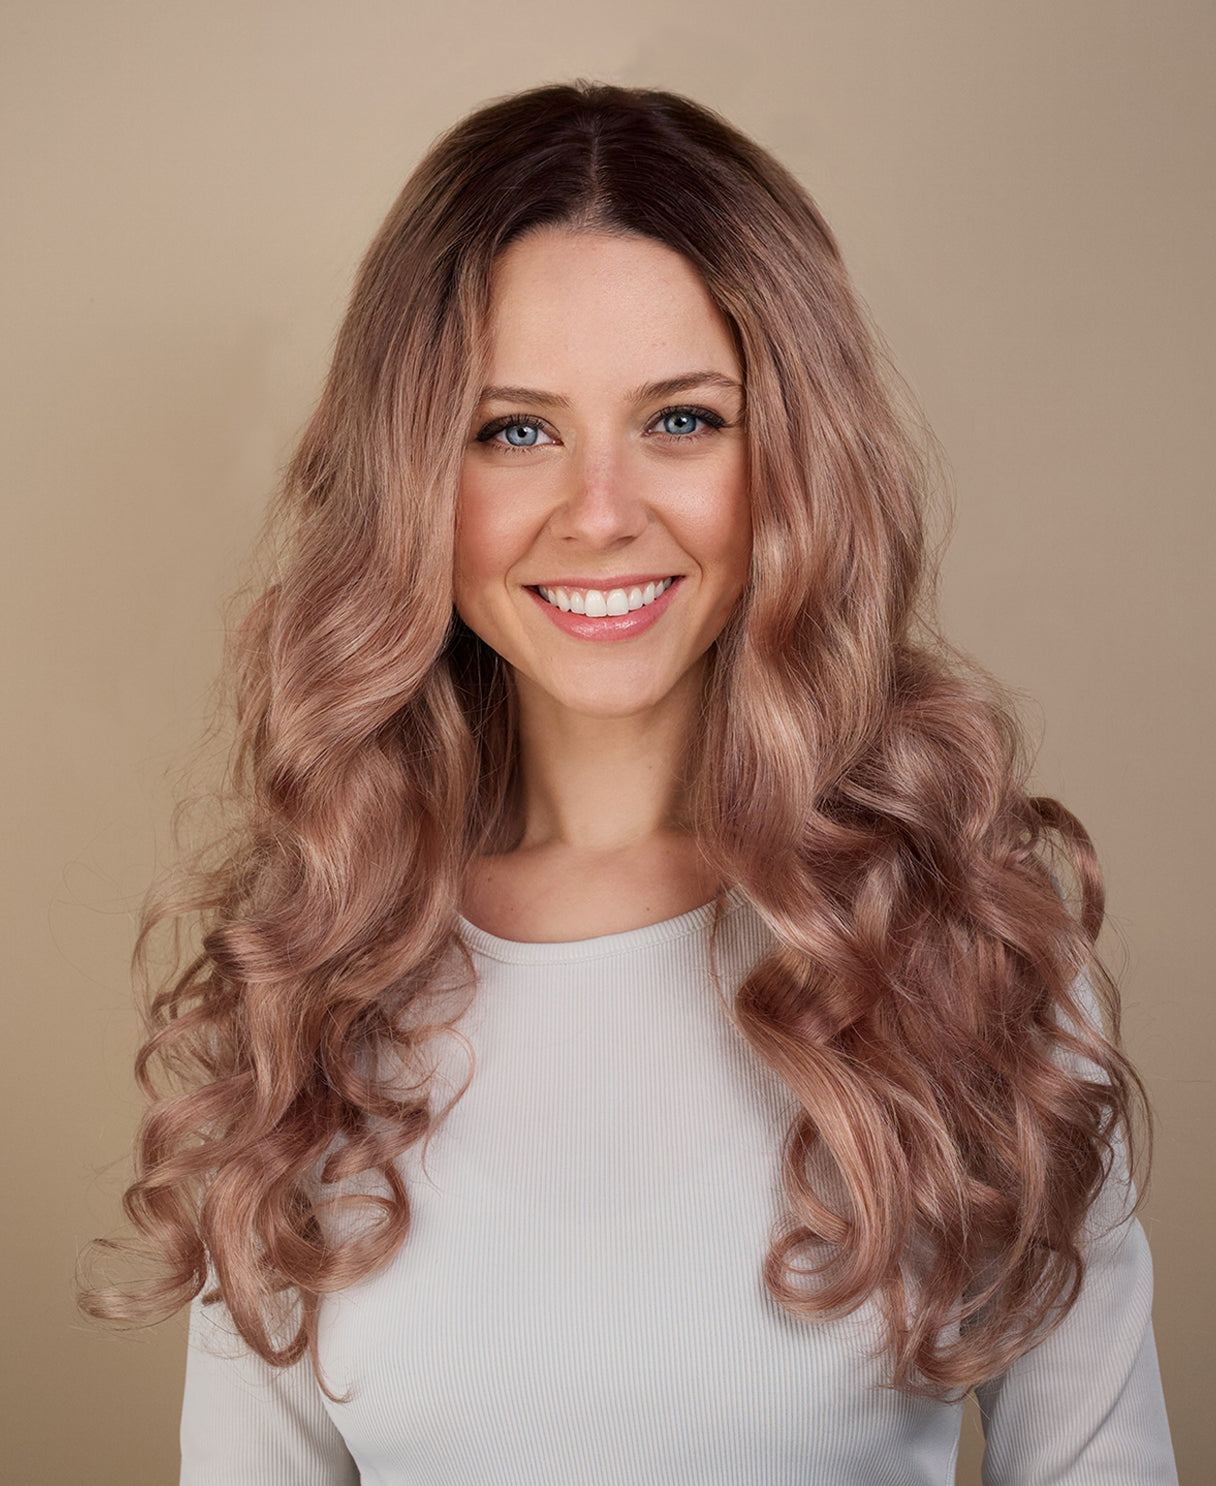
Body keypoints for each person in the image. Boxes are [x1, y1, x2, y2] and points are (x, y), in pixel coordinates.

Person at [81, 81, 1178, 1482]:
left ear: (794, 459)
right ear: (415, 477)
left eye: (683, 420)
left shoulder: (968, 951)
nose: (600, 514)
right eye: (515, 430)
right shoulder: (316, 974)